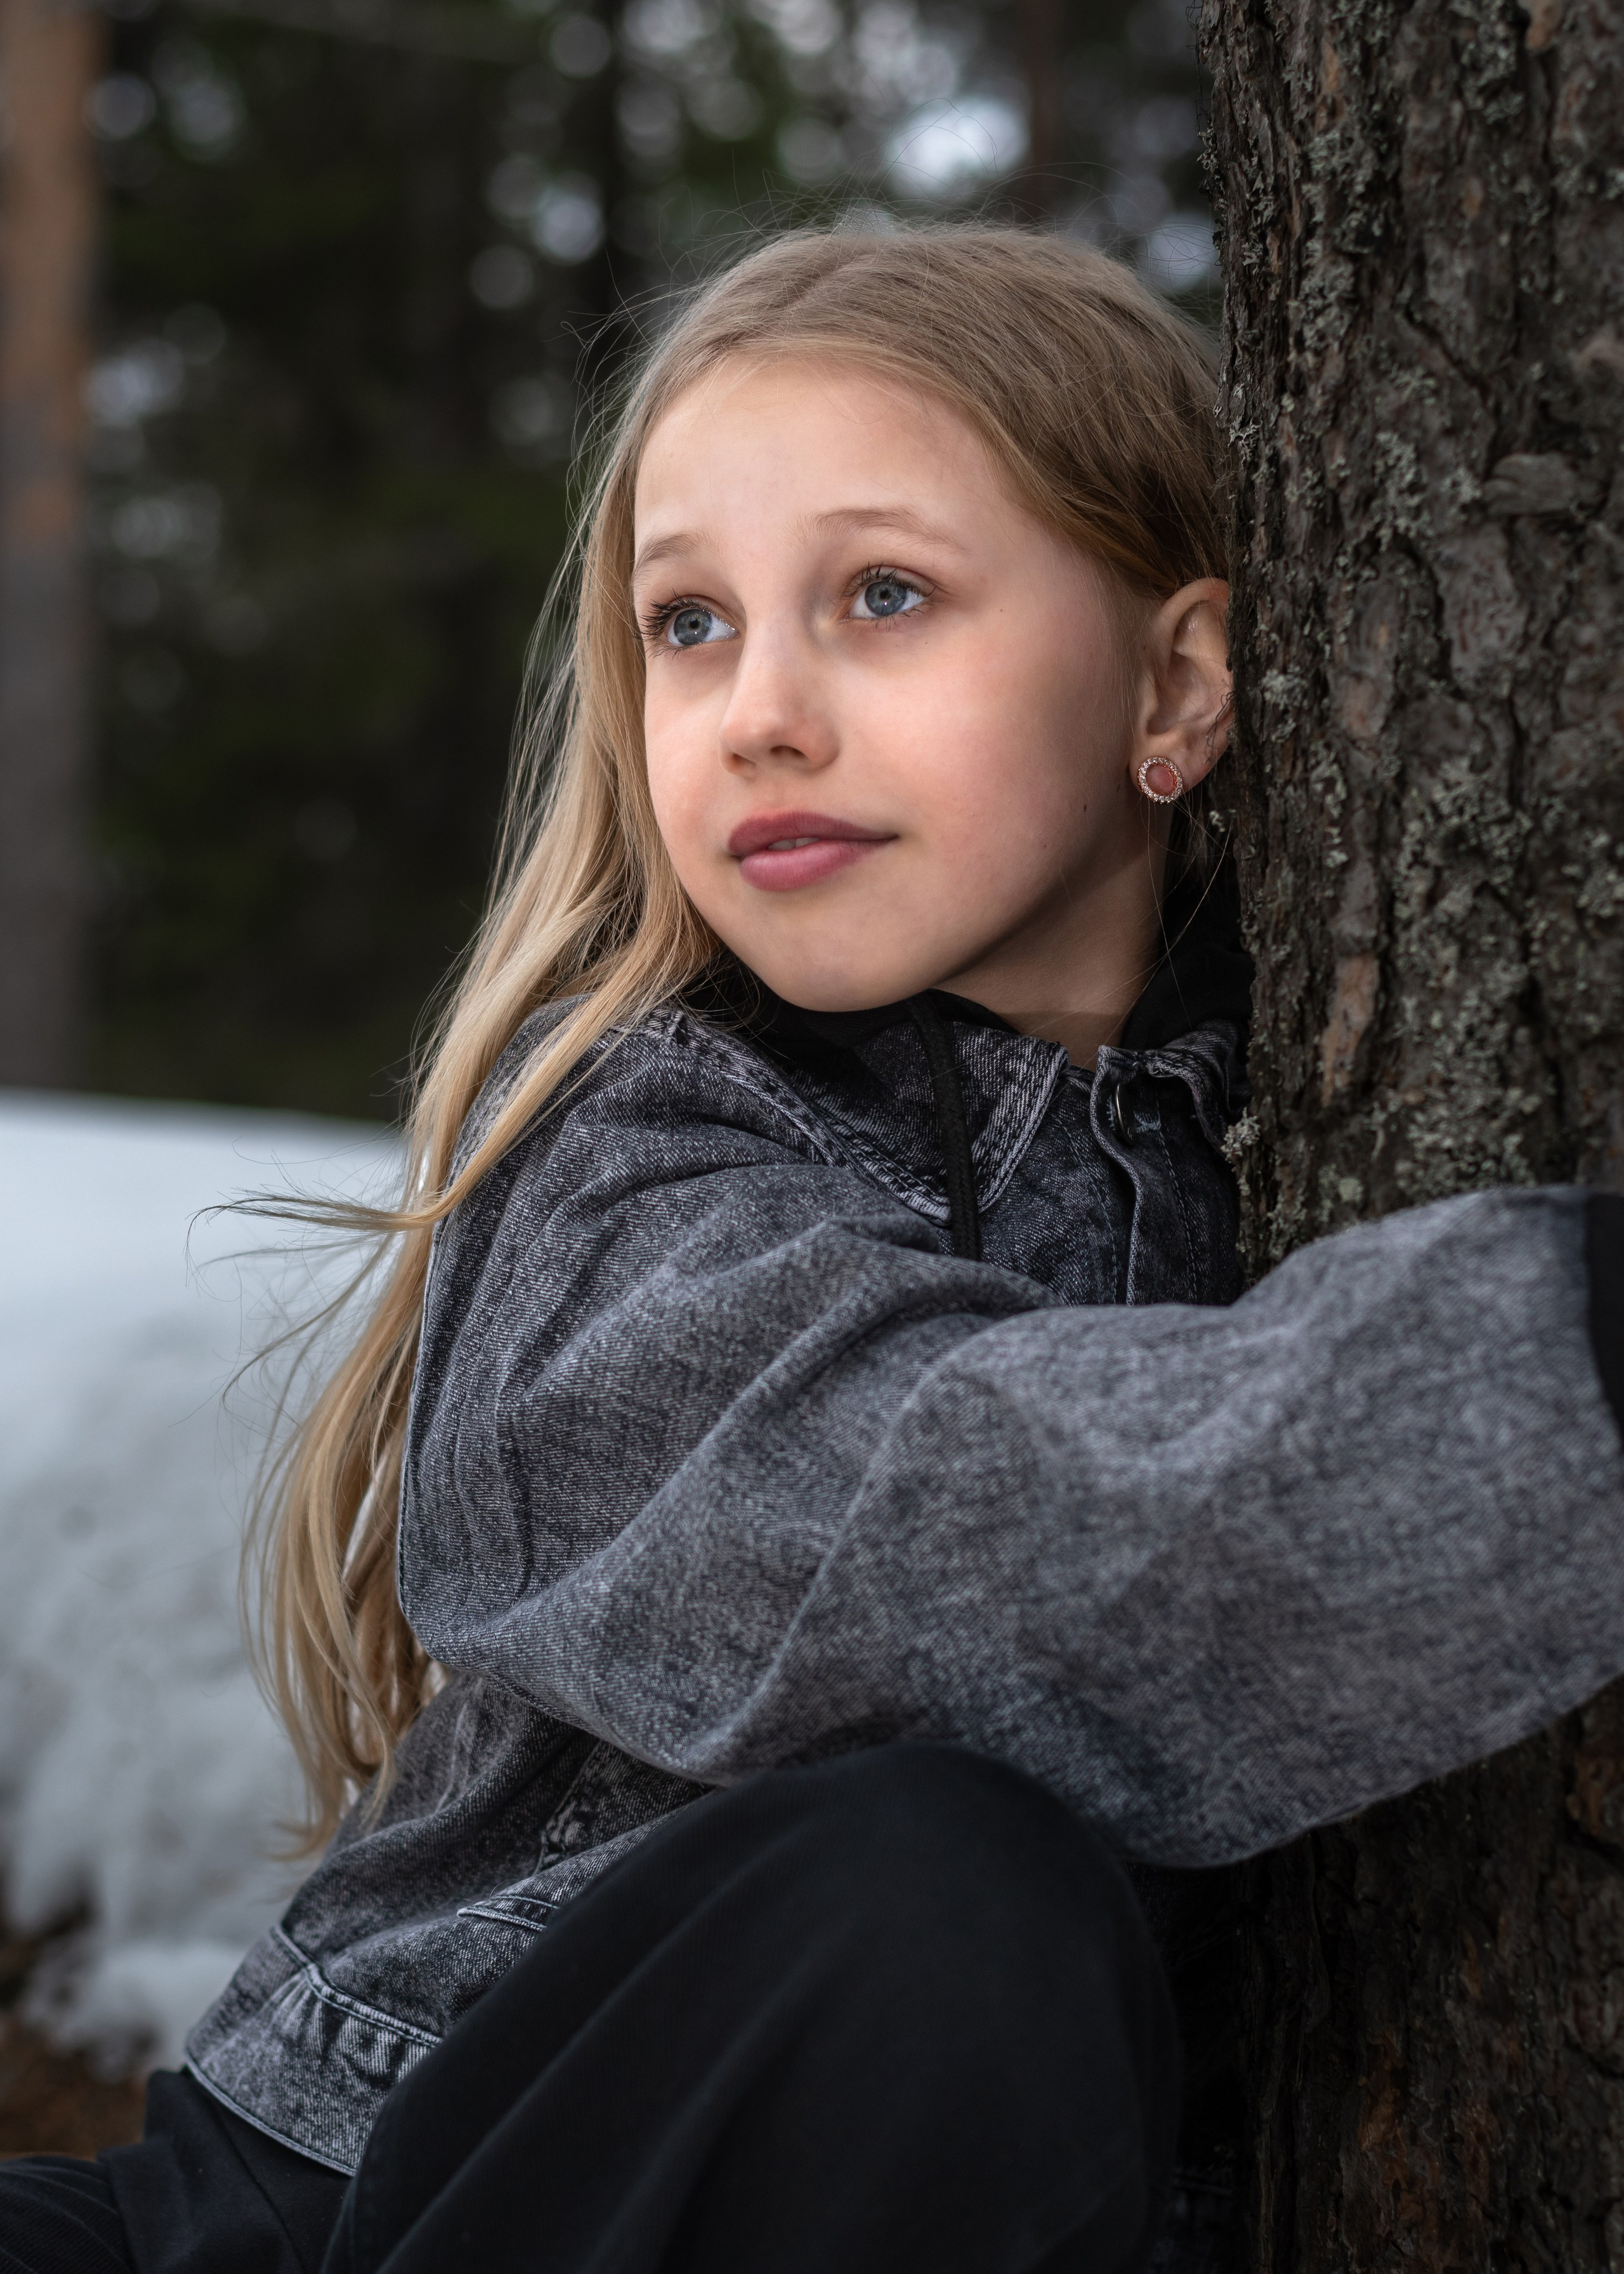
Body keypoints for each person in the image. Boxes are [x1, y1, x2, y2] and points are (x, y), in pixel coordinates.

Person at [4, 225, 1621, 2274]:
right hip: (356, 2204)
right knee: (938, 1898)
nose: (759, 711)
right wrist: (1574, 1353)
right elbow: (958, 1533)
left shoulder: (1299, 1114)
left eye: (882, 596)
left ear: (1178, 680)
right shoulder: (643, 1162)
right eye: (689, 624)